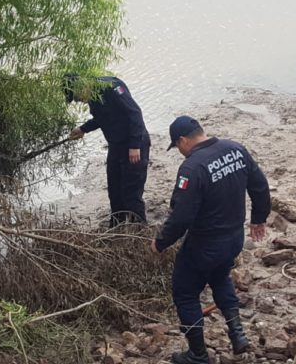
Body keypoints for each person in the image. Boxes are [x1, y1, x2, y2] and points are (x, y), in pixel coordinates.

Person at [150, 116, 271, 364]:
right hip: (234, 238)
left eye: (178, 147)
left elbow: (181, 216)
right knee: (219, 276)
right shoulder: (235, 149)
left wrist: (160, 242)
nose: (180, 153)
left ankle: (197, 354)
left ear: (183, 140)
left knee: (184, 292)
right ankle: (237, 335)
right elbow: (259, 185)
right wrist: (259, 218)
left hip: (205, 244)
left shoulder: (192, 168)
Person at [64, 73, 150, 227]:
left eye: (76, 97)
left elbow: (135, 113)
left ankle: (140, 230)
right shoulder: (93, 97)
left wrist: (135, 146)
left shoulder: (111, 87)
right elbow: (103, 118)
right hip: (116, 145)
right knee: (114, 190)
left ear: (81, 86)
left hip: (134, 144)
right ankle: (117, 225)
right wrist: (83, 129)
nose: (79, 101)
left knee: (131, 191)